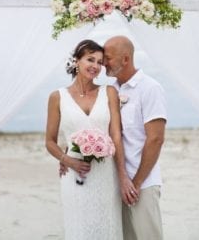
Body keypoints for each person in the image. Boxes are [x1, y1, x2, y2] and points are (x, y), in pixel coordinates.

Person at [45, 39, 136, 240]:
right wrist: (66, 160)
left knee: (107, 227)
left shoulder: (109, 92)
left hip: (105, 174)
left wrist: (122, 176)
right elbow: (50, 141)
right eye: (90, 60)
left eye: (100, 62)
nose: (95, 66)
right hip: (74, 177)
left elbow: (116, 137)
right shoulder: (57, 97)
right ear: (76, 61)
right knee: (79, 227)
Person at [103, 35, 167, 240]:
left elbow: (156, 139)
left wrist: (136, 182)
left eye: (108, 58)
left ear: (125, 59)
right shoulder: (112, 90)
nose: (104, 63)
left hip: (143, 184)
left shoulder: (150, 88)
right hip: (117, 182)